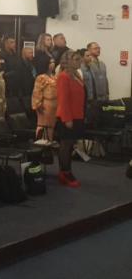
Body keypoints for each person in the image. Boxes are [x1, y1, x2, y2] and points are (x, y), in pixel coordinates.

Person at [55, 50, 85, 187]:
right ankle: (64, 172)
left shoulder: (77, 76)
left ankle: (68, 170)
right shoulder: (63, 77)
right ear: (68, 61)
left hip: (77, 115)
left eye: (80, 59)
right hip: (67, 117)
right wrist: (67, 119)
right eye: (76, 59)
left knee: (70, 145)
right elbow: (63, 100)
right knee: (65, 146)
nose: (80, 61)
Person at [32, 57, 57, 142]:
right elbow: (37, 91)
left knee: (51, 128)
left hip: (54, 106)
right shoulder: (41, 77)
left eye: (53, 62)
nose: (52, 64)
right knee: (44, 127)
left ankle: (50, 143)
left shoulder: (54, 77)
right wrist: (37, 104)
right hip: (45, 106)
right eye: (50, 62)